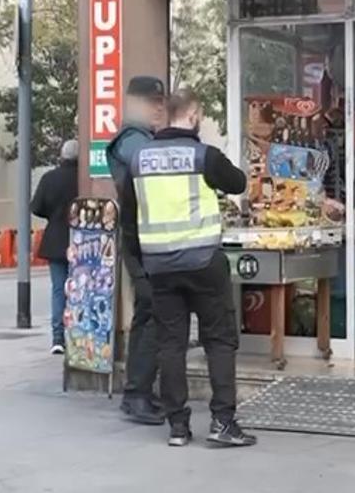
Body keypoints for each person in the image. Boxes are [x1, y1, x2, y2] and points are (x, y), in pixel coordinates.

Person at [130, 87, 255, 448]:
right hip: (202, 262)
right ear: (194, 115)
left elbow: (129, 217)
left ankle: (178, 427)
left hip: (160, 266)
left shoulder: (139, 159)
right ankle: (223, 422)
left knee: (171, 344)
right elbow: (238, 182)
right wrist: (211, 150)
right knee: (219, 340)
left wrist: (142, 262)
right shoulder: (203, 156)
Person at [106, 75, 167, 425]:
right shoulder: (131, 141)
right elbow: (147, 163)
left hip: (151, 241)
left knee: (151, 315)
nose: (159, 109)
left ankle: (142, 388)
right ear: (135, 103)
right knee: (151, 315)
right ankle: (136, 393)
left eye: (162, 103)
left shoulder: (145, 139)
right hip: (139, 242)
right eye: (153, 103)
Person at [31, 139, 80, 354]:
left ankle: (57, 337)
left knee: (58, 289)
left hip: (55, 239)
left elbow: (37, 207)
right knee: (80, 289)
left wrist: (53, 215)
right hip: (80, 241)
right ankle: (78, 334)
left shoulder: (49, 178)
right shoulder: (84, 179)